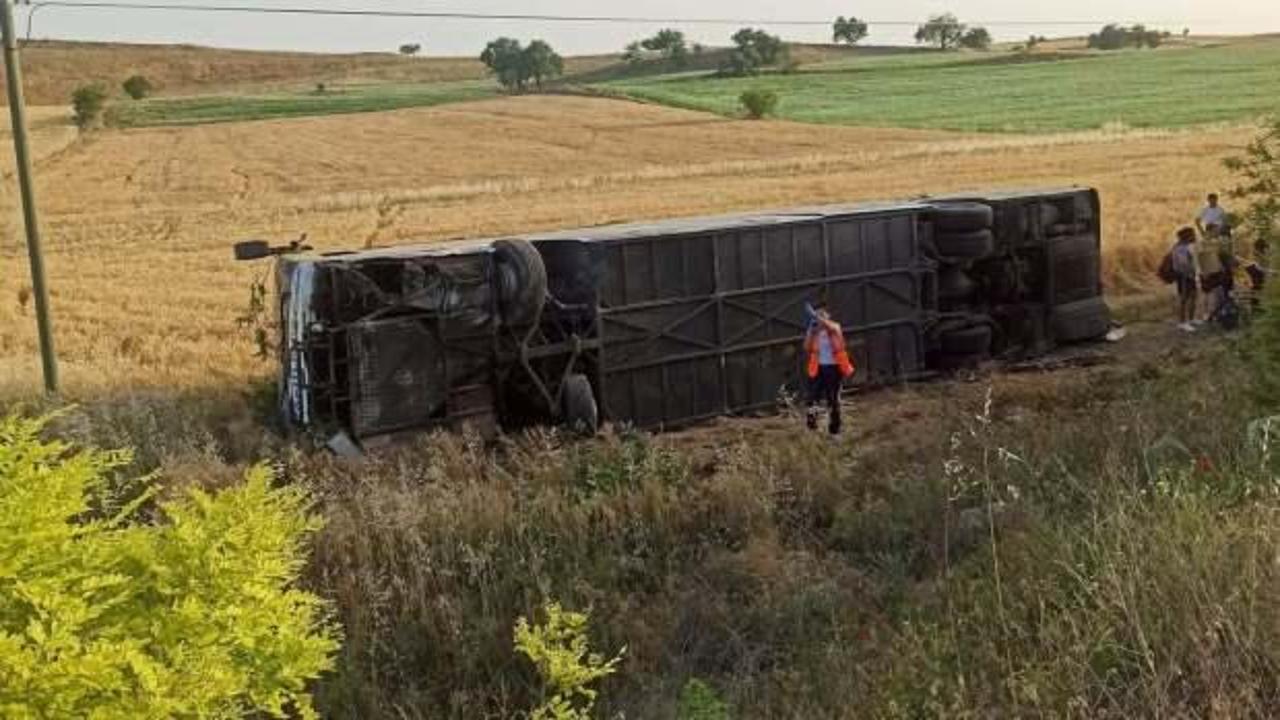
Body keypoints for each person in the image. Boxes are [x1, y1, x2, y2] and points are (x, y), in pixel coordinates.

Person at [802, 300, 855, 435]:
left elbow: (831, 328)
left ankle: (835, 430)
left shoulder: (835, 327)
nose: (818, 318)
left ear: (828, 315)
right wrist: (811, 331)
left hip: (834, 368)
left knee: (833, 399)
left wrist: (815, 316)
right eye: (817, 314)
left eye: (822, 314)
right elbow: (806, 347)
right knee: (812, 398)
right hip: (818, 368)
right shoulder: (814, 332)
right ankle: (812, 427)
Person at [1171, 226, 1199, 332]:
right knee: (1184, 298)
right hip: (1183, 276)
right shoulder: (1180, 248)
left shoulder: (1187, 247)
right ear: (1187, 236)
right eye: (1193, 234)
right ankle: (1182, 322)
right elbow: (1183, 264)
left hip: (1189, 275)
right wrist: (1191, 272)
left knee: (1193, 296)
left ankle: (1191, 319)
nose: (1195, 236)